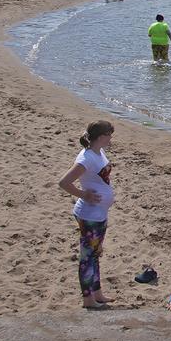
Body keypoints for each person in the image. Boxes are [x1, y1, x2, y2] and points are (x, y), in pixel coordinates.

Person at [58, 120, 116, 310]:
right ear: (101, 137)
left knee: (95, 254)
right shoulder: (87, 158)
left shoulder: (99, 152)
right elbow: (64, 182)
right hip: (89, 215)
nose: (111, 138)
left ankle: (97, 293)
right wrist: (84, 195)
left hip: (99, 214)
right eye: (109, 134)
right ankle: (88, 300)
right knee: (87, 258)